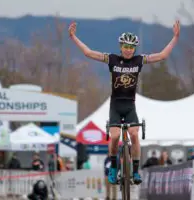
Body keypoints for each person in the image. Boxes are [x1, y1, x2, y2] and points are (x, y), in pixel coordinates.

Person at [68, 20, 180, 185]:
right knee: (114, 137)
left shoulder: (139, 60)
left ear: (134, 49)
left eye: (131, 47)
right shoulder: (112, 59)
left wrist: (175, 37)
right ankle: (114, 167)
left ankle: (135, 171)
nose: (128, 50)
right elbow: (89, 53)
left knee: (134, 135)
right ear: (121, 47)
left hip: (130, 106)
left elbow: (162, 55)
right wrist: (73, 37)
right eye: (125, 47)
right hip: (115, 105)